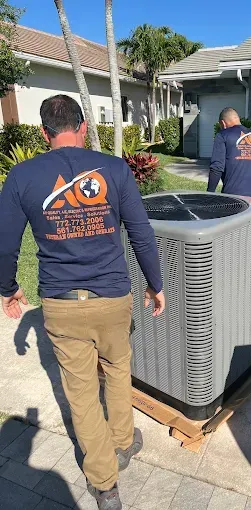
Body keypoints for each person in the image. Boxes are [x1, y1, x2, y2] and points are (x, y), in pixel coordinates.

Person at [0, 94, 165, 510]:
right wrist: (155, 284)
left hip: (61, 303)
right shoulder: (113, 169)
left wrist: (7, 288)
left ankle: (105, 485)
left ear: (43, 133)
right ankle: (124, 443)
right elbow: (141, 233)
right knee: (118, 367)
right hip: (113, 298)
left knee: (81, 392)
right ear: (84, 126)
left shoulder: (21, 176)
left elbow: (4, 245)